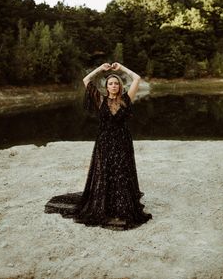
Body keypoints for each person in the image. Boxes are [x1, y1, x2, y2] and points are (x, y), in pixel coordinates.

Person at [45, 62, 152, 230]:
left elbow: (137, 78)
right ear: (106, 86)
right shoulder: (100, 99)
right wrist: (101, 69)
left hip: (122, 142)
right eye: (110, 83)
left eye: (116, 83)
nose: (114, 86)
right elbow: (86, 79)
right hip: (104, 142)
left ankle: (120, 206)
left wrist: (122, 68)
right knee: (105, 172)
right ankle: (106, 205)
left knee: (121, 172)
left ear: (120, 86)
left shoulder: (126, 99)